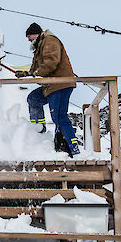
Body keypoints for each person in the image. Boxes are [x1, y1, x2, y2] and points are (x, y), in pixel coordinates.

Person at [15, 22, 81, 156]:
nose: (28, 39)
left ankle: (73, 148)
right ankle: (38, 131)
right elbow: (37, 68)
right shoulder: (40, 46)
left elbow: (51, 62)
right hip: (50, 86)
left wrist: (35, 73)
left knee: (59, 116)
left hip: (60, 85)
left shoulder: (49, 40)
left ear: (37, 34)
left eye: (29, 36)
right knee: (33, 100)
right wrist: (26, 73)